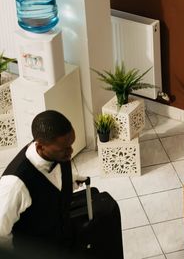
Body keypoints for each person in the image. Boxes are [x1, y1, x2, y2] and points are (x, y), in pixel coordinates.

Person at [0, 110, 123, 258]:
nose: (71, 151)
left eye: (71, 144)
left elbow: (51, 182)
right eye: (65, 148)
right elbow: (1, 234)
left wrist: (70, 179)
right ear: (40, 147)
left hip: (63, 238)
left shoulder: (57, 152)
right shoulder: (14, 185)